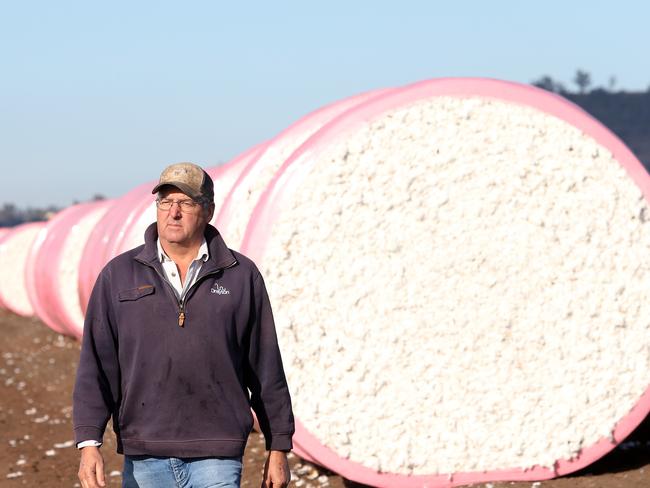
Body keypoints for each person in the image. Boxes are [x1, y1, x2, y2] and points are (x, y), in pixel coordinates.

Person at [73, 162, 294, 488]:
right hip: (145, 450)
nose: (173, 212)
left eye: (186, 202)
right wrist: (89, 442)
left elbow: (265, 367)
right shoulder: (118, 275)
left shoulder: (240, 275)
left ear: (208, 211)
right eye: (165, 201)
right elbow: (96, 365)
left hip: (217, 454)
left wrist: (279, 446)